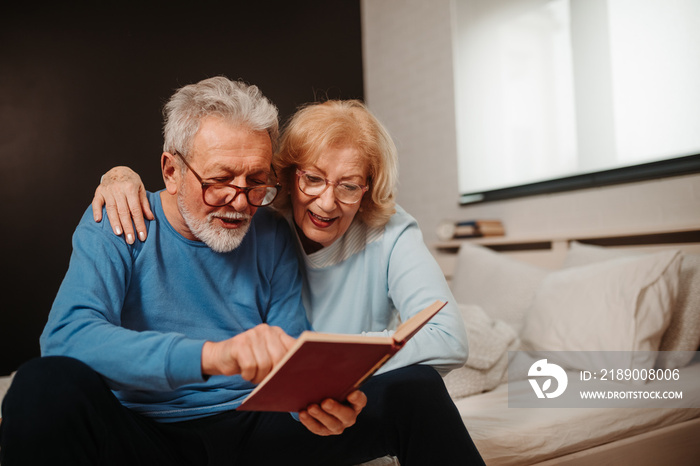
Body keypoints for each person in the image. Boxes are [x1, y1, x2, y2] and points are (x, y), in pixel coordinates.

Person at [0, 77, 487, 466]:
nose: (240, 200)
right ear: (170, 171)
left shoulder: (272, 234)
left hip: (256, 430)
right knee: (41, 384)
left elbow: (290, 354)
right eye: (219, 181)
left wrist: (315, 404)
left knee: (416, 389)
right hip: (145, 433)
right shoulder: (118, 219)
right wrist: (211, 356)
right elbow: (67, 338)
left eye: (257, 181)